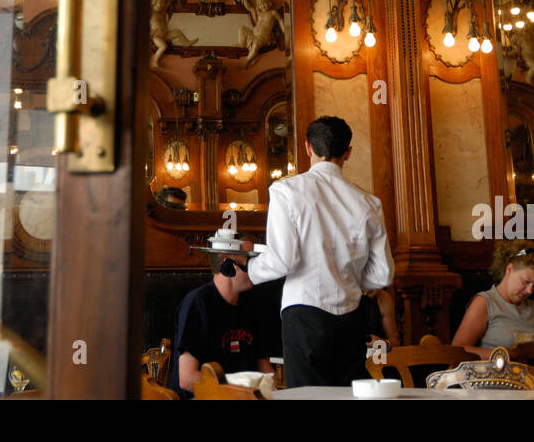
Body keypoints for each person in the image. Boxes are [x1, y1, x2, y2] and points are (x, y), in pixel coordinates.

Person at [247, 115, 394, 387]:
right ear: (348, 152)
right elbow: (383, 275)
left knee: (306, 397)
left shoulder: (286, 190)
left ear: (307, 148)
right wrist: (345, 276)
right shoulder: (370, 203)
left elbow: (282, 260)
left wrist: (250, 270)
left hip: (304, 315)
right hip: (352, 319)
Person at [168, 239, 270, 399]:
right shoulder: (198, 303)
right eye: (250, 260)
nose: (258, 267)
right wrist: (236, 394)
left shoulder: (253, 304)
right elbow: (187, 379)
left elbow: (265, 371)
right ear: (228, 265)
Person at [452, 240, 534, 357]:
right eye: (526, 282)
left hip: (532, 375)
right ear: (509, 269)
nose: (530, 291)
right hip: (492, 374)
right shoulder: (485, 302)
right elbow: (458, 349)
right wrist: (506, 355)